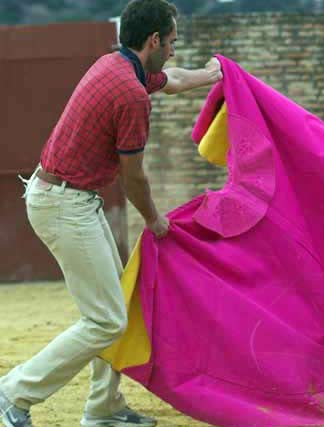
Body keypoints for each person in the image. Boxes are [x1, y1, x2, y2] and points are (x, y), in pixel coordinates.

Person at [0, 0, 222, 426]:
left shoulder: (115, 66)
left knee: (114, 307)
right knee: (105, 320)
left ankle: (102, 407)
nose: (174, 50)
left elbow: (172, 79)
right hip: (65, 205)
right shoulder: (130, 94)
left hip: (67, 198)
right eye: (172, 41)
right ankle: (13, 394)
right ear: (154, 40)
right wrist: (155, 220)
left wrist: (212, 75)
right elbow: (133, 178)